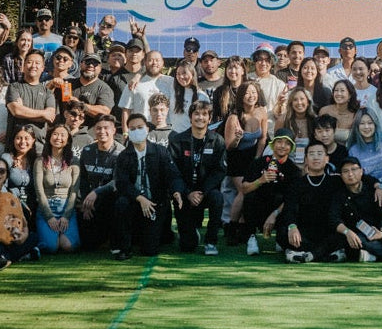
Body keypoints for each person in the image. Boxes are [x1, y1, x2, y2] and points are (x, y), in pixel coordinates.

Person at [113, 112, 184, 260]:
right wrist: (139, 198)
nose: (136, 131)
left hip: (155, 203)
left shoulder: (160, 151)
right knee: (121, 203)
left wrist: (176, 191)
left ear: (147, 129)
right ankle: (124, 248)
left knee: (150, 249)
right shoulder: (123, 156)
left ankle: (163, 232)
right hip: (134, 202)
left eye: (140, 127)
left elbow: (173, 174)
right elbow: (122, 183)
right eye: (132, 129)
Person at [169, 100, 226, 256]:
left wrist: (202, 191)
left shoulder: (217, 140)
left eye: (204, 114)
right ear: (190, 117)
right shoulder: (177, 140)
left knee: (217, 198)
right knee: (187, 246)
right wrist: (187, 192)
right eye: (196, 114)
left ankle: (211, 242)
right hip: (184, 194)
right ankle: (191, 232)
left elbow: (220, 171)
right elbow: (173, 171)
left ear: (209, 118)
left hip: (205, 192)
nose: (200, 117)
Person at [278, 142, 342, 263]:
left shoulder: (336, 181)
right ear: (306, 159)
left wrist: (378, 186)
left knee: (342, 235)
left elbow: (357, 176)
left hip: (327, 231)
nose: (316, 157)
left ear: (327, 159)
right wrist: (292, 226)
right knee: (283, 233)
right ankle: (325, 254)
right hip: (303, 232)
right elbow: (289, 208)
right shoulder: (297, 183)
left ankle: (307, 255)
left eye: (320, 154)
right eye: (312, 154)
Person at [241, 128, 300, 256]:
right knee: (250, 197)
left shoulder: (293, 170)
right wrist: (260, 181)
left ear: (291, 147)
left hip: (279, 211)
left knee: (288, 202)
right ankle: (251, 237)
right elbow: (244, 188)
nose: (282, 146)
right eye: (279, 142)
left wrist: (275, 214)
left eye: (287, 143)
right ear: (273, 144)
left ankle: (281, 237)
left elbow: (292, 198)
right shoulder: (259, 163)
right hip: (259, 207)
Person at [224, 81, 268, 239]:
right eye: (247, 93)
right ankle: (231, 227)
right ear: (241, 96)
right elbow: (229, 146)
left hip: (254, 156)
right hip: (237, 158)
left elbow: (263, 138)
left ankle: (244, 228)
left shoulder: (262, 111)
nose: (251, 96)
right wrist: (237, 138)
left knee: (251, 193)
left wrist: (258, 158)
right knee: (243, 191)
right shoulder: (234, 117)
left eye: (254, 93)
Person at [78, 114, 124, 251]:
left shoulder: (121, 153)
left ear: (114, 130)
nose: (102, 132)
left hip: (111, 200)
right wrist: (84, 203)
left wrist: (96, 192)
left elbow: (117, 182)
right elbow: (83, 180)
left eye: (106, 128)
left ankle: (116, 240)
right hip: (91, 202)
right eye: (98, 128)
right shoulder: (87, 151)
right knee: (88, 246)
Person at [33, 123, 81, 253]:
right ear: (49, 137)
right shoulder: (40, 161)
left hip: (67, 208)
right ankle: (51, 236)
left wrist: (66, 216)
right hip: (46, 207)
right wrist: (49, 216)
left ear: (68, 140)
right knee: (50, 247)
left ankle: (60, 234)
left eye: (62, 135)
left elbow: (74, 191)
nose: (58, 138)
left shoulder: (74, 161)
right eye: (55, 134)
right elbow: (39, 191)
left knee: (68, 246)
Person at [5, 49, 56, 147]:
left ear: (42, 68)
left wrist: (23, 111)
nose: (33, 66)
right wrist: (42, 114)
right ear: (23, 67)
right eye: (29, 62)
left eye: (37, 63)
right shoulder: (14, 87)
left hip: (39, 147)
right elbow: (16, 111)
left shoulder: (48, 93)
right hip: (15, 147)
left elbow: (50, 117)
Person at [118, 49, 174, 131]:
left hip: (165, 131)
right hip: (141, 131)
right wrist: (126, 133)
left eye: (157, 60)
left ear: (162, 63)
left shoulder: (171, 82)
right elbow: (126, 110)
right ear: (145, 63)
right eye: (150, 60)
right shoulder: (134, 84)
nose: (154, 63)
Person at [2, 124, 38, 229]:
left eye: (27, 138)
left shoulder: (36, 161)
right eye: (18, 138)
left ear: (33, 140)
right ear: (13, 140)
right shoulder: (7, 158)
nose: (22, 142)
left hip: (32, 209)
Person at [248, 45, 286, 139]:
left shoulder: (279, 85)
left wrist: (281, 105)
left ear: (272, 62)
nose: (263, 63)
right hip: (248, 131)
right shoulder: (246, 79)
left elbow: (279, 115)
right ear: (255, 61)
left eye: (267, 60)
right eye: (260, 59)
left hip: (270, 133)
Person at [70, 53, 115, 126]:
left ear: (100, 68)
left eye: (95, 63)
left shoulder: (104, 88)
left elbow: (105, 112)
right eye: (87, 62)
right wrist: (52, 84)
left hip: (90, 134)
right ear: (81, 64)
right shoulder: (68, 83)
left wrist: (81, 106)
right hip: (66, 132)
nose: (90, 65)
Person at [279, 86, 317, 169]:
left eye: (302, 99)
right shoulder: (283, 120)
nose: (299, 102)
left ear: (308, 102)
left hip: (310, 166)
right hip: (288, 166)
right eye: (295, 100)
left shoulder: (315, 121)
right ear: (291, 103)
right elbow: (276, 146)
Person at [170, 60, 209, 133]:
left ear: (192, 74)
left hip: (192, 137)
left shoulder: (201, 96)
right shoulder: (173, 92)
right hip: (173, 136)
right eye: (178, 74)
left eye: (184, 73)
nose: (181, 76)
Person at [319, 79, 359, 145]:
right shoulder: (324, 111)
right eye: (336, 90)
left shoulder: (355, 114)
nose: (338, 93)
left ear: (350, 95)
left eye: (342, 91)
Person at [212, 55, 247, 131]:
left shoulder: (250, 89)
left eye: (236, 68)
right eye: (230, 68)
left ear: (243, 71)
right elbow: (215, 116)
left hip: (247, 130)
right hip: (226, 132)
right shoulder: (219, 92)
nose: (233, 71)